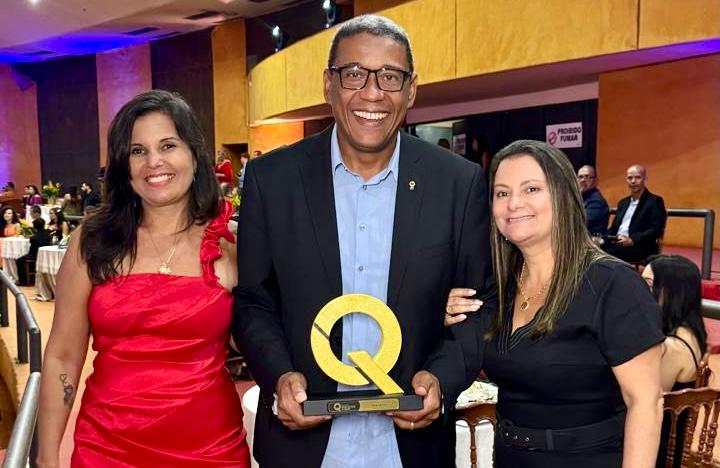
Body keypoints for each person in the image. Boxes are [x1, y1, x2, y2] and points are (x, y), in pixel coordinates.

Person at [232, 15, 494, 468]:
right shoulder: (271, 180)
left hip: (411, 445)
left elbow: (480, 304)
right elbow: (254, 302)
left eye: (390, 76)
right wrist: (279, 376)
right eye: (353, 74)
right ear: (328, 85)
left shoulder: (458, 183)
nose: (372, 93)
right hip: (303, 444)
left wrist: (441, 378)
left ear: (411, 90)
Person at [37, 90, 250, 467]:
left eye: (168, 145)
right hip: (107, 450)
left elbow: (260, 341)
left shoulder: (231, 245)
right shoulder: (92, 242)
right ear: (124, 165)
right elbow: (63, 356)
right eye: (138, 151)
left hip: (210, 450)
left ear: (194, 155)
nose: (154, 162)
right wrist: (46, 457)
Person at [444, 140, 664, 467]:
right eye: (502, 193)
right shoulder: (497, 285)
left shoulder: (612, 284)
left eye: (531, 189)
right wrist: (448, 317)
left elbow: (646, 403)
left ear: (563, 195)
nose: (513, 203)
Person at [641, 255, 707, 467]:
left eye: (648, 284)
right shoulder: (691, 330)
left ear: (672, 291)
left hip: (658, 449)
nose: (640, 290)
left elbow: (645, 402)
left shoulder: (673, 346)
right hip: (665, 438)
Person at [604, 164, 666, 263]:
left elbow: (656, 229)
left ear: (645, 179)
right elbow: (614, 228)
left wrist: (633, 239)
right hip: (617, 242)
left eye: (637, 177)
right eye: (630, 178)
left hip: (640, 246)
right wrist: (602, 239)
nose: (633, 181)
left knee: (606, 253)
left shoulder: (654, 201)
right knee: (593, 248)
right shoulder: (623, 203)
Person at [17, 217, 51, 286]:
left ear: (34, 227)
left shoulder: (33, 238)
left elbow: (32, 250)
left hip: (35, 255)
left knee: (19, 260)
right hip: (45, 255)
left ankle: (22, 281)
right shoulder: (48, 234)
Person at [577, 165, 609, 236]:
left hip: (590, 240)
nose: (583, 180)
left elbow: (580, 223)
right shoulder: (580, 197)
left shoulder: (597, 201)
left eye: (587, 177)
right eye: (580, 177)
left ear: (595, 181)